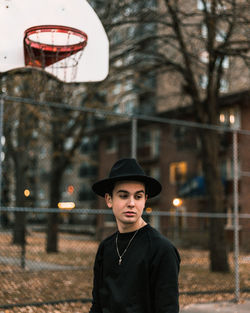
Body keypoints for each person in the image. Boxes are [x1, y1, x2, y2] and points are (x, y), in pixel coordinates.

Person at [89, 158, 180, 313]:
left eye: (138, 196)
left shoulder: (161, 250)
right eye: (124, 196)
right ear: (109, 199)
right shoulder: (106, 248)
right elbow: (97, 305)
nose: (131, 203)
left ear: (145, 200)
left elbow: (167, 309)